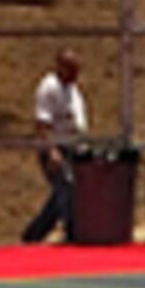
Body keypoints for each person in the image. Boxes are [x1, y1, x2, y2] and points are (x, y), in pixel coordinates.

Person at [20, 50, 87, 243]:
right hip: (56, 147)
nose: (76, 75)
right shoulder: (49, 88)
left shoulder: (73, 89)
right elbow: (42, 124)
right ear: (62, 68)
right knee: (66, 189)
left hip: (73, 147)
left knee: (60, 195)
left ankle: (32, 235)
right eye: (72, 70)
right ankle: (71, 232)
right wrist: (51, 151)